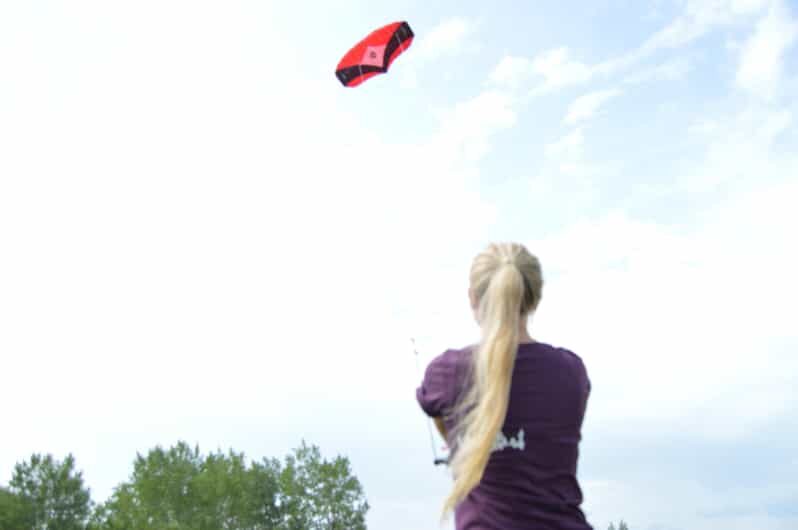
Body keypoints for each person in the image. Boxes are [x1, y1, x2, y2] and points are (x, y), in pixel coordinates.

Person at [416, 242, 593, 529]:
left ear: (473, 298)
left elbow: (442, 421)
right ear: (534, 299)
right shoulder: (569, 372)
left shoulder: (447, 374)